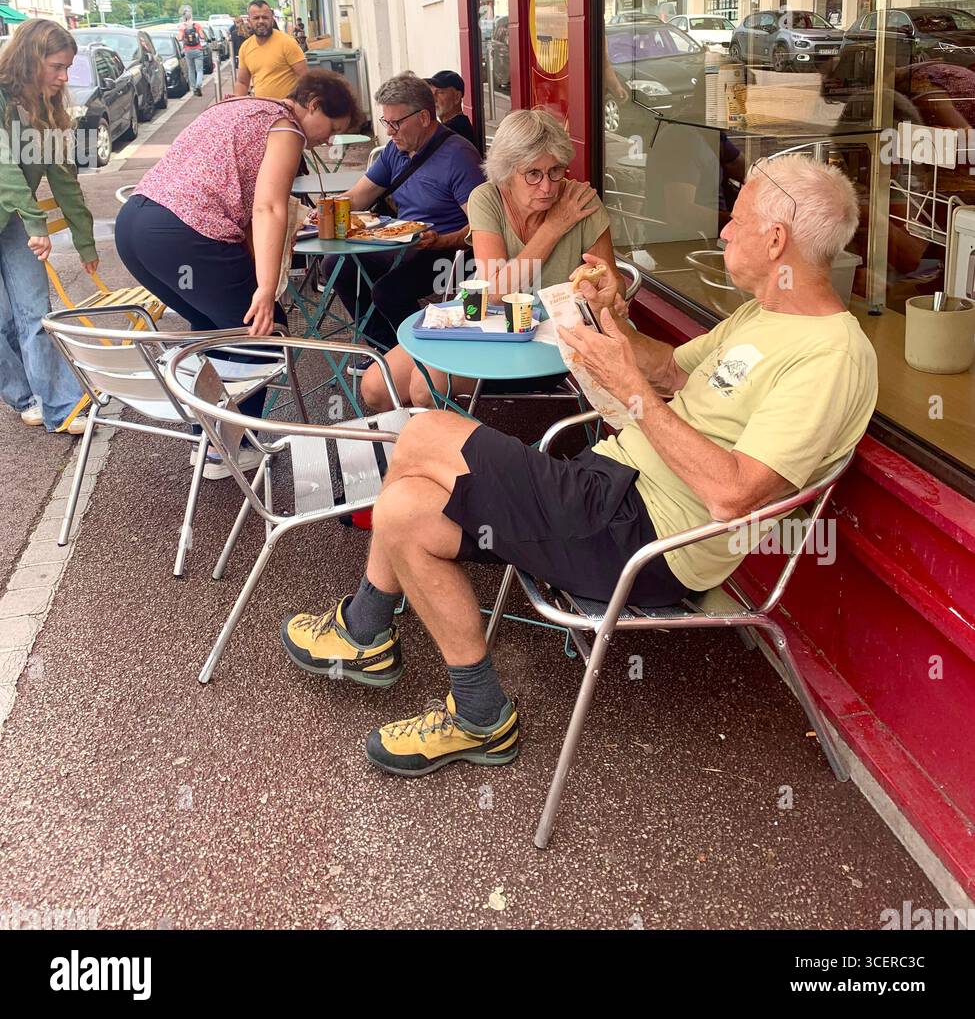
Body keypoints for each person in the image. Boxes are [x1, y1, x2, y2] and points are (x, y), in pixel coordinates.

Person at [281, 155, 878, 775]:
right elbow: (671, 370)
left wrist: (635, 395)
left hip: (649, 540)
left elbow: (734, 496)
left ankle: (364, 632)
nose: (724, 231)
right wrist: (610, 320)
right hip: (609, 490)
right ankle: (480, 715)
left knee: (427, 428)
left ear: (777, 239)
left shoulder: (829, 359)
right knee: (405, 509)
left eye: (737, 217)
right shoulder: (764, 314)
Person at [115, 71, 359, 477]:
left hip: (135, 225)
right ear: (312, 104)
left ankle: (207, 435)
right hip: (184, 231)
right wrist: (265, 288)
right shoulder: (287, 126)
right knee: (264, 332)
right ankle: (228, 448)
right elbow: (269, 208)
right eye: (331, 128)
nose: (328, 140)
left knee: (213, 328)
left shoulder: (237, 106)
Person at [360, 107, 618, 409]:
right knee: (375, 388)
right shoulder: (489, 197)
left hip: (548, 339)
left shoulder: (581, 202)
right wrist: (554, 227)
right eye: (533, 174)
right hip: (484, 321)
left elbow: (612, 289)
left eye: (555, 170)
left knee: (425, 388)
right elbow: (495, 293)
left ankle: (463, 453)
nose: (548, 186)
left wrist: (609, 292)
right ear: (507, 172)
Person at [327, 72, 484, 354]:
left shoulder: (459, 156)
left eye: (396, 123)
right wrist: (325, 209)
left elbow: (482, 227)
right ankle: (386, 351)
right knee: (338, 267)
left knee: (388, 292)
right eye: (386, 122)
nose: (389, 131)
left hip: (450, 253)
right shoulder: (396, 150)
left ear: (424, 117)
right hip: (402, 244)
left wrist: (441, 240)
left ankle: (424, 358)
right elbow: (361, 195)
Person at [0, 19, 97, 435]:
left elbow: (63, 178)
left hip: (15, 218)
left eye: (67, 68)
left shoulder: (46, 109)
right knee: (2, 321)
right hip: (18, 210)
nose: (64, 77)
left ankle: (60, 406)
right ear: (30, 60)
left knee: (35, 314)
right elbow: (4, 167)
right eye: (57, 67)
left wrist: (85, 240)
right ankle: (24, 396)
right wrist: (37, 221)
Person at [232, 0, 307, 101]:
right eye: (256, 18)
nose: (261, 21)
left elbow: (305, 78)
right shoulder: (245, 47)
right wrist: (237, 105)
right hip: (262, 110)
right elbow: (242, 82)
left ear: (272, 20)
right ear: (249, 22)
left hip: (287, 109)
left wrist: (293, 102)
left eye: (265, 17)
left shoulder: (287, 43)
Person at [427, 70, 476, 145]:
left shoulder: (454, 130)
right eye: (431, 93)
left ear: (457, 97)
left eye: (440, 92)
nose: (433, 98)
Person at [179, 12, 207, 95]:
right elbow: (202, 36)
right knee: (199, 70)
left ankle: (194, 88)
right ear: (191, 17)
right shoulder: (197, 25)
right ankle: (199, 85)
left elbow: (179, 38)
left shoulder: (183, 27)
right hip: (198, 50)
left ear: (185, 18)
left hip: (188, 51)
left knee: (191, 69)